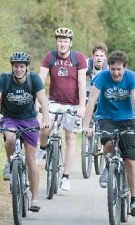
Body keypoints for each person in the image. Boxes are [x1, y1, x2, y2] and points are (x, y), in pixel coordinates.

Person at [82, 50, 135, 216]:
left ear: (125, 67)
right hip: (106, 118)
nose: (116, 73)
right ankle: (108, 167)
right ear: (108, 67)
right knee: (109, 142)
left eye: (119, 69)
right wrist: (85, 125)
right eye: (113, 69)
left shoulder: (131, 77)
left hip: (128, 119)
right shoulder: (102, 77)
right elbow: (91, 102)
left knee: (130, 160)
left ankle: (134, 201)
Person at [0, 51, 50, 212]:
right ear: (12, 67)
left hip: (29, 120)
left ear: (27, 67)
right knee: (11, 138)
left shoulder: (33, 79)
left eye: (22, 66)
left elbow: (43, 100)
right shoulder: (4, 79)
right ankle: (9, 163)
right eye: (16, 66)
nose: (19, 69)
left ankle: (34, 199)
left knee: (30, 159)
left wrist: (46, 120)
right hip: (10, 119)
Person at [36, 27, 87, 191]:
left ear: (70, 43)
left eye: (65, 41)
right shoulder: (49, 57)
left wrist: (82, 106)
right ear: (56, 42)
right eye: (60, 41)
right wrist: (38, 102)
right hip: (53, 102)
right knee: (45, 128)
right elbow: (40, 82)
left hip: (73, 104)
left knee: (70, 139)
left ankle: (65, 177)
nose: (62, 44)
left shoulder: (78, 57)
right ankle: (43, 149)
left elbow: (81, 83)